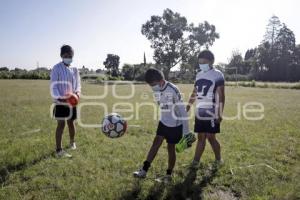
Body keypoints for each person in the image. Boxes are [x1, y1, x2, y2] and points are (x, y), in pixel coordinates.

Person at [133, 68, 195, 183]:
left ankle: (168, 176)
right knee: (155, 143)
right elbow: (161, 106)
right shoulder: (156, 90)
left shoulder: (173, 90)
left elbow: (182, 111)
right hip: (163, 122)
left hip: (175, 125)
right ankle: (144, 170)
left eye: (153, 84)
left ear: (161, 80)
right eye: (150, 85)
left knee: (170, 148)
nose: (152, 87)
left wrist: (186, 133)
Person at [186, 50, 225, 168]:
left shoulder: (217, 74)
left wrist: (219, 112)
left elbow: (221, 95)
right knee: (200, 137)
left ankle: (219, 160)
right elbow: (195, 91)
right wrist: (189, 104)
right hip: (200, 109)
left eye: (204, 62)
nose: (201, 64)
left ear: (211, 61)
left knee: (211, 137)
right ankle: (195, 162)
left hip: (211, 109)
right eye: (200, 62)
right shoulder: (198, 74)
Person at [50, 45, 81, 158]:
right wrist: (60, 98)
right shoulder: (56, 68)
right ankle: (59, 150)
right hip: (60, 102)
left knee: (71, 123)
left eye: (70, 56)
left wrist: (77, 93)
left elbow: (78, 84)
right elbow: (53, 86)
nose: (68, 57)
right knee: (61, 124)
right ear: (61, 55)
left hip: (72, 102)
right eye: (66, 56)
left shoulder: (75, 69)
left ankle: (72, 142)